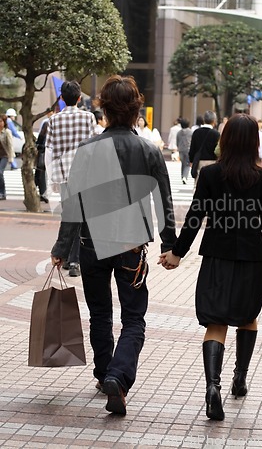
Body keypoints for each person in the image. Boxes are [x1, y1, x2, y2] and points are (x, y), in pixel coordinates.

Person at [50, 75, 177, 415]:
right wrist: (171, 245)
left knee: (100, 314)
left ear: (103, 109)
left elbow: (72, 202)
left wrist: (62, 248)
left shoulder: (88, 150)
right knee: (134, 317)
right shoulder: (149, 150)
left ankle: (105, 371)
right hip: (131, 244)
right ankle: (118, 378)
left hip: (91, 242)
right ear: (137, 110)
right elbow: (164, 201)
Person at [158, 114, 262, 421]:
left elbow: (195, 216)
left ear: (224, 140)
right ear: (255, 144)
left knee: (215, 324)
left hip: (216, 258)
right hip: (253, 260)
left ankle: (212, 388)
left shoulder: (211, 174)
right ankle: (239, 379)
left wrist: (177, 252)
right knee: (247, 319)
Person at [45, 80, 97, 277]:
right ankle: (76, 261)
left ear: (62, 99)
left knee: (70, 217)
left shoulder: (54, 120)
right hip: (86, 176)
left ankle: (69, 258)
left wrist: (52, 179)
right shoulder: (88, 117)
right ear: (79, 98)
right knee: (83, 219)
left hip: (65, 176)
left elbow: (49, 152)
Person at [189, 110, 220, 183]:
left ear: (204, 120)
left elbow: (192, 148)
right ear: (214, 121)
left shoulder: (196, 132)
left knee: (199, 184)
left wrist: (191, 160)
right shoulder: (216, 134)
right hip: (212, 162)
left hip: (199, 162)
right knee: (212, 184)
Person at [0, 114, 15, 200]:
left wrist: (11, 158)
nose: (0, 123)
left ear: (4, 122)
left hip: (4, 155)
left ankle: (2, 192)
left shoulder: (7, 132)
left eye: (1, 121)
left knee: (0, 172)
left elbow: (10, 145)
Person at [34, 120, 49, 203]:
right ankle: (42, 193)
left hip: (43, 157)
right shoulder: (45, 135)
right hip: (43, 157)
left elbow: (38, 145)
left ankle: (41, 193)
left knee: (40, 174)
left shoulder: (43, 135)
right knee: (40, 175)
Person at [176, 118, 192, 184]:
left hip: (181, 149)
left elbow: (177, 141)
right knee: (187, 164)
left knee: (183, 163)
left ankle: (182, 176)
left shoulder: (179, 133)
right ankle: (185, 177)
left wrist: (178, 147)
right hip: (188, 149)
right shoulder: (190, 132)